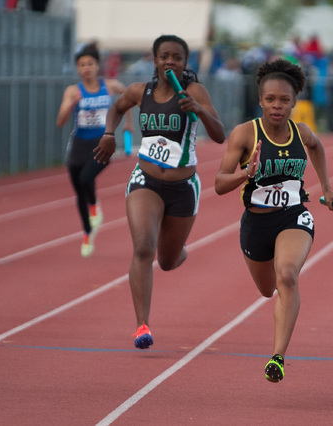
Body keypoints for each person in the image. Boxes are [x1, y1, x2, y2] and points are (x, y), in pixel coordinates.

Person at [214, 58, 333, 383]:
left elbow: (316, 147)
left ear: (294, 102)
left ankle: (278, 356)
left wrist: (326, 188)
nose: (277, 106)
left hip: (293, 216)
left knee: (286, 276)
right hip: (256, 225)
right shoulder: (245, 134)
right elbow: (219, 183)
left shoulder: (301, 132)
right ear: (260, 100)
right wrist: (247, 172)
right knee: (267, 289)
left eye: (284, 100)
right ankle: (277, 328)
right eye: (270, 99)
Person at [94, 35, 225, 349]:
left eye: (177, 57)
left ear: (184, 63)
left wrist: (199, 111)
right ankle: (142, 326)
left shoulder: (195, 91)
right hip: (146, 181)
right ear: (154, 61)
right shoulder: (141, 91)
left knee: (166, 260)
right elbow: (116, 107)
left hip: (183, 187)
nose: (170, 62)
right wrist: (110, 134)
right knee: (142, 248)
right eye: (164, 56)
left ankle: (178, 248)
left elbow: (220, 135)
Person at [56, 43, 132, 257]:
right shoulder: (72, 91)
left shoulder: (110, 86)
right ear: (77, 69)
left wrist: (128, 123)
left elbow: (129, 97)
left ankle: (94, 206)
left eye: (90, 63)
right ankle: (88, 233)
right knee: (79, 190)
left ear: (97, 66)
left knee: (86, 179)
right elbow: (60, 121)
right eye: (82, 65)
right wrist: (70, 105)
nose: (86, 68)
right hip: (79, 144)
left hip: (102, 143)